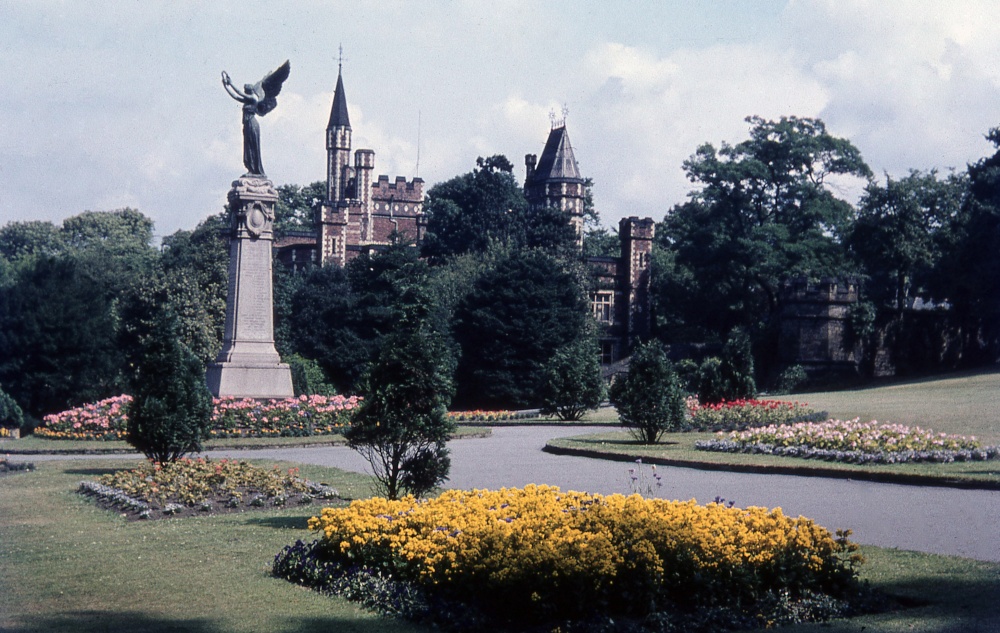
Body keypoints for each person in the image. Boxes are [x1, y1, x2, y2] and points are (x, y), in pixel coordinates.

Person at [221, 61, 290, 177]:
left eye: (246, 89)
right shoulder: (247, 99)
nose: (245, 90)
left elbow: (239, 93)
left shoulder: (253, 98)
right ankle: (251, 169)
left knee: (253, 146)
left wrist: (231, 83)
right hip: (247, 124)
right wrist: (225, 86)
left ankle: (256, 170)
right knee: (248, 147)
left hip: (252, 124)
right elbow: (235, 96)